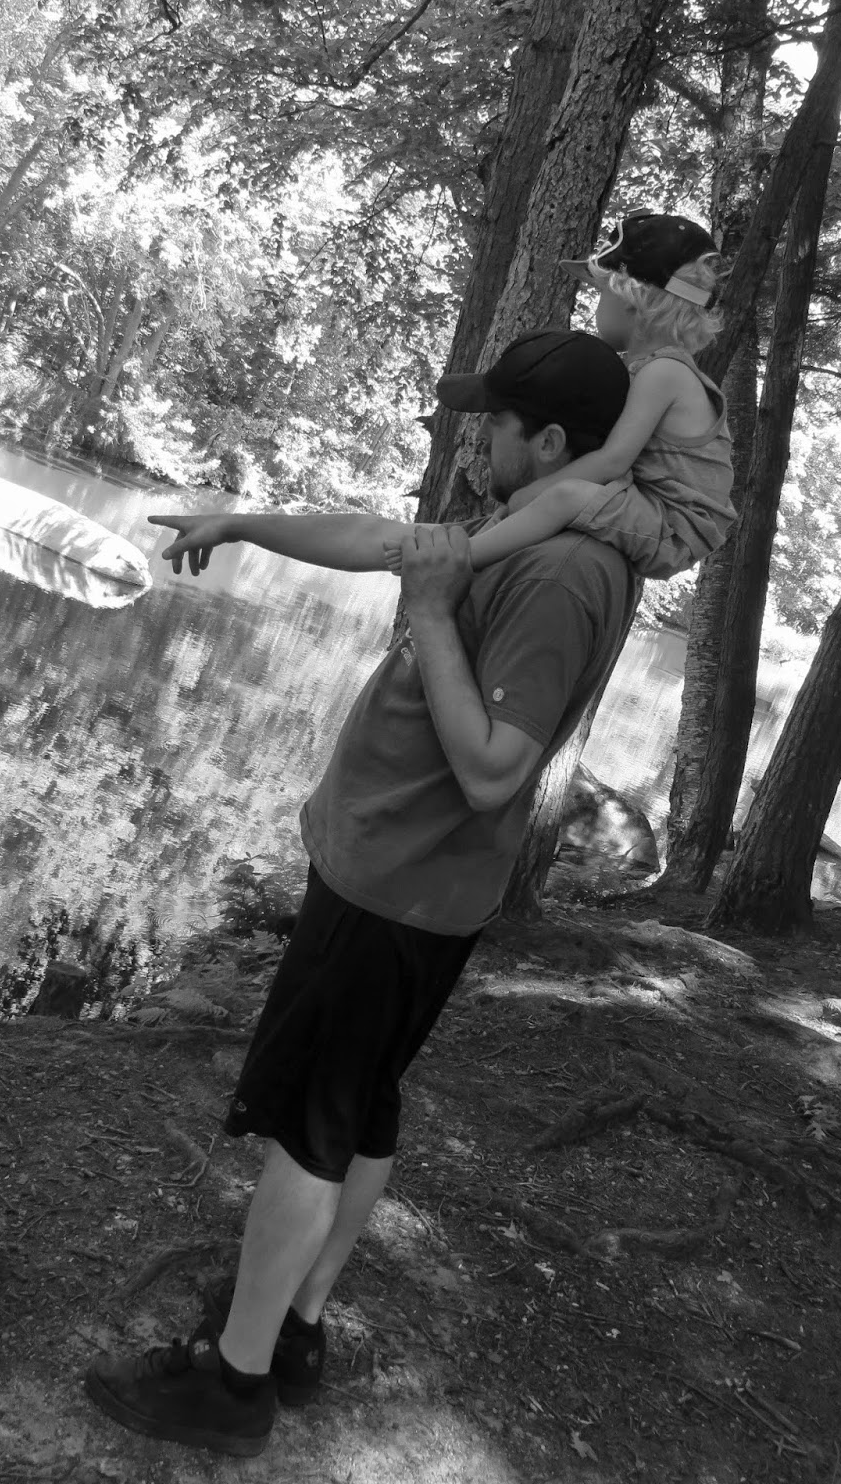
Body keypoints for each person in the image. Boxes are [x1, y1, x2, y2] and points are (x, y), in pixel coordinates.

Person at [82, 328, 640, 1459]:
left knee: (309, 1127)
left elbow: (496, 770)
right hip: (401, 883)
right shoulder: (534, 523)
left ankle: (233, 1386)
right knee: (361, 1106)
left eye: (495, 423)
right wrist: (240, 521)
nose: (476, 439)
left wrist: (429, 613)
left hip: (397, 893)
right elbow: (373, 538)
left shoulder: (563, 573)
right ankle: (294, 1326)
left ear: (551, 441)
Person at [384, 211, 734, 581]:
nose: (598, 305)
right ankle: (453, 542)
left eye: (601, 292)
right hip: (651, 507)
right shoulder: (648, 369)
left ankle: (455, 559)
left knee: (562, 496)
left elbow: (613, 461)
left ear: (630, 298)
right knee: (537, 500)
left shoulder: (663, 372)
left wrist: (534, 491)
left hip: (674, 527)